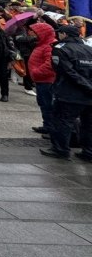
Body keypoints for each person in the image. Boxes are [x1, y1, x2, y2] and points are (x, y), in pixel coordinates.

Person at [41, 24, 92, 160]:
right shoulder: (89, 49)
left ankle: (61, 150)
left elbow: (66, 71)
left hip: (69, 93)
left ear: (64, 34)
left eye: (60, 33)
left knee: (63, 121)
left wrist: (86, 85)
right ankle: (88, 152)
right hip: (88, 94)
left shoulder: (60, 49)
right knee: (88, 124)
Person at [27, 22, 57, 136]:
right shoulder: (42, 44)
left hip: (47, 81)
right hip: (41, 80)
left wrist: (36, 72)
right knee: (44, 104)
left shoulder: (49, 46)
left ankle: (51, 128)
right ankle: (47, 126)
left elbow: (50, 64)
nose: (32, 34)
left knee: (48, 105)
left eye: (34, 32)